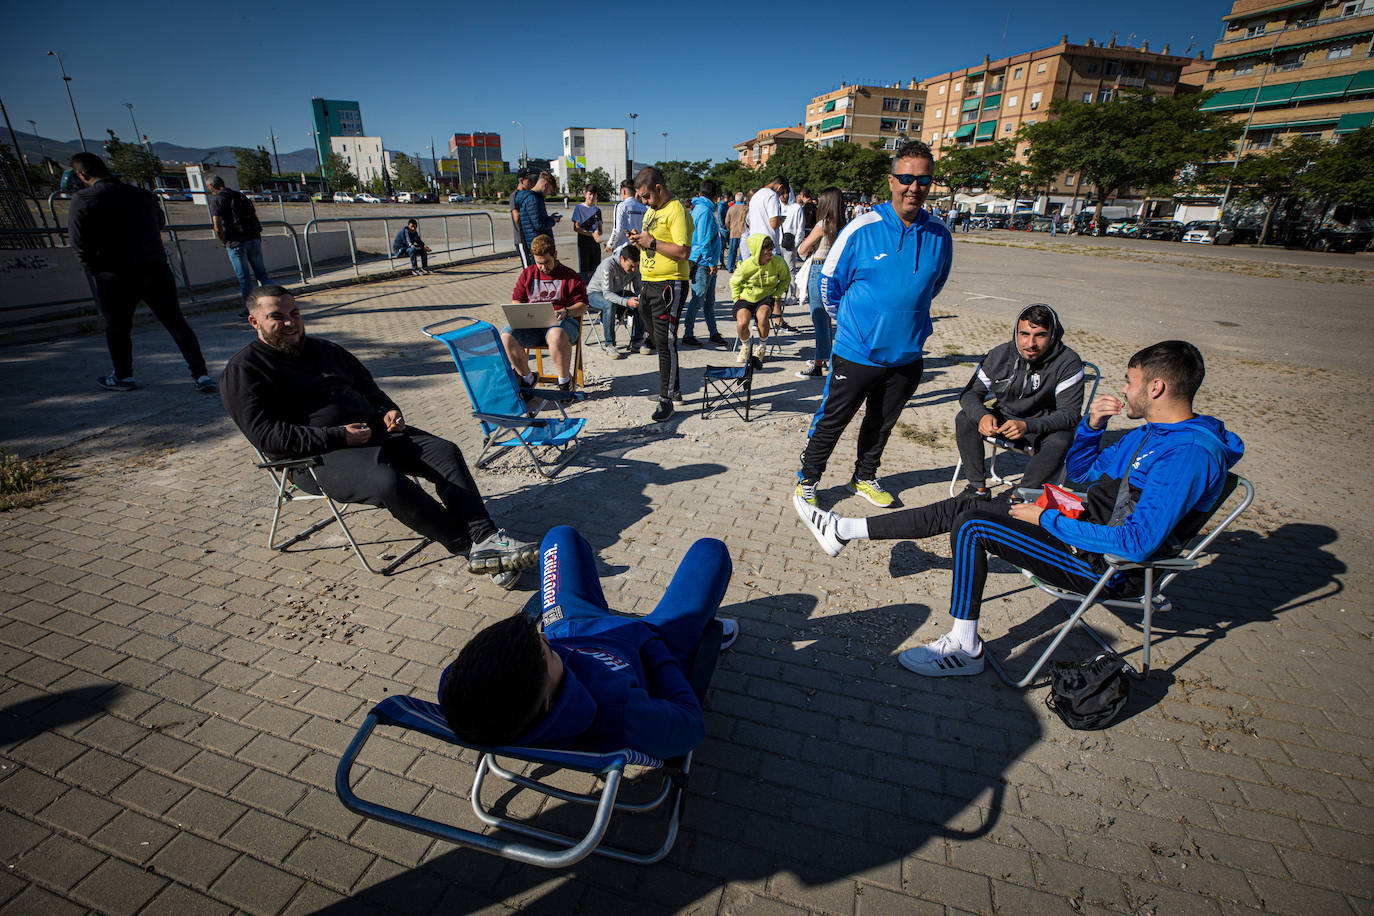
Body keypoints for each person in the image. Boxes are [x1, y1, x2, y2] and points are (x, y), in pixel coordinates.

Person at [793, 341, 1245, 677]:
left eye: (1130, 382)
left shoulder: (1187, 454)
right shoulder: (1151, 433)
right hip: (1081, 530)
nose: (1124, 390)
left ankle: (964, 648)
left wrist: (1045, 518)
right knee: (972, 504)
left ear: (1157, 387)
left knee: (974, 525)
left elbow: (1137, 544)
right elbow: (1082, 474)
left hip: (1107, 567)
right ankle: (844, 529)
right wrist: (1093, 426)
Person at [221, 286, 537, 588]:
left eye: (295, 314)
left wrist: (387, 409)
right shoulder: (244, 370)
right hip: (316, 458)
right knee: (387, 482)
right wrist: (338, 436)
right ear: (254, 321)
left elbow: (368, 387)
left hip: (374, 433)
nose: (290, 323)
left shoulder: (326, 350)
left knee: (444, 451)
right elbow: (268, 437)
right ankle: (470, 549)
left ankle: (486, 538)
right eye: (277, 317)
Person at [438, 526, 738, 759]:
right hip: (652, 644)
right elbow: (690, 724)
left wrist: (540, 648)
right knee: (710, 551)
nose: (543, 635)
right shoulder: (621, 714)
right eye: (547, 652)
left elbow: (466, 673)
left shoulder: (462, 695)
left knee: (560, 536)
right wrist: (656, 650)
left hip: (572, 626)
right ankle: (700, 629)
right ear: (548, 702)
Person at [794, 140, 953, 510]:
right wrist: (854, 325)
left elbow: (934, 285)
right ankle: (808, 480)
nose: (914, 187)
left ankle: (864, 477)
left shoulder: (940, 235)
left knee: (881, 423)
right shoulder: (862, 228)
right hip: (857, 352)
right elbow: (829, 283)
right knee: (833, 420)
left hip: (907, 356)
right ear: (891, 180)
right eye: (906, 178)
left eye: (923, 180)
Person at [66, 152, 216, 394]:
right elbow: (159, 223)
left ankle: (123, 375)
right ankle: (201, 374)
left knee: (118, 328)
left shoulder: (84, 199)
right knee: (176, 322)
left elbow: (78, 242)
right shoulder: (142, 195)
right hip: (155, 268)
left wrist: (96, 269)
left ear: (82, 174)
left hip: (114, 274)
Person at [955, 304, 1085, 497]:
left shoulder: (1068, 362)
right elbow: (970, 394)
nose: (1030, 343)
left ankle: (1019, 495)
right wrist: (982, 416)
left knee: (1062, 439)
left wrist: (1028, 425)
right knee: (965, 418)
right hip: (1004, 421)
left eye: (1040, 335)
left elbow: (1070, 415)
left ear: (1053, 335)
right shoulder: (1000, 355)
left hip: (1041, 426)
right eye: (1024, 334)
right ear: (1016, 332)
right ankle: (977, 489)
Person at [627, 167, 693, 423]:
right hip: (649, 282)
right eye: (641, 198)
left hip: (670, 283)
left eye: (647, 196)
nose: (644, 202)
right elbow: (649, 242)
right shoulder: (652, 211)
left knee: (666, 341)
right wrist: (638, 241)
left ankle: (667, 399)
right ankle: (672, 389)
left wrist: (652, 243)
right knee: (656, 338)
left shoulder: (676, 210)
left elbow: (683, 251)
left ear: (659, 188)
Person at [502, 235, 587, 391]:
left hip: (563, 324)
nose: (543, 267)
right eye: (539, 263)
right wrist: (522, 313)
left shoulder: (570, 276)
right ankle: (528, 378)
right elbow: (517, 301)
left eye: (547, 262)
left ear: (555, 254)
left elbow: (582, 306)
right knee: (506, 336)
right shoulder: (528, 274)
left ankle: (564, 382)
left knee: (555, 335)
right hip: (533, 326)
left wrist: (566, 311)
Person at [794, 186, 847, 379]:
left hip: (819, 268)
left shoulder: (823, 224)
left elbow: (802, 248)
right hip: (837, 271)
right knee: (833, 318)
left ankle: (820, 363)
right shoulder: (844, 225)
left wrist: (808, 247)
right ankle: (827, 358)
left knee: (819, 318)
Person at [207, 176, 271, 309]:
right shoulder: (239, 195)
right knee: (262, 274)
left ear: (212, 186)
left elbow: (217, 226)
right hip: (253, 238)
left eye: (208, 187)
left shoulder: (217, 200)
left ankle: (251, 309)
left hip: (236, 242)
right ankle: (275, 301)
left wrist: (224, 242)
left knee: (244, 279)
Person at [728, 235, 790, 365]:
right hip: (747, 297)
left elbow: (786, 280)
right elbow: (734, 282)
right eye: (767, 253)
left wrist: (776, 295)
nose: (771, 255)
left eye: (772, 251)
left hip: (766, 297)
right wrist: (736, 299)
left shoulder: (778, 262)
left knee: (762, 317)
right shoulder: (747, 265)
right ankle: (745, 346)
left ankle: (762, 346)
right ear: (758, 253)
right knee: (742, 323)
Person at [681, 180, 725, 347]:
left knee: (708, 301)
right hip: (704, 262)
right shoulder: (706, 211)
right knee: (699, 299)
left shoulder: (698, 208)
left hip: (704, 260)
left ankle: (713, 332)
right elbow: (704, 241)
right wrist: (711, 262)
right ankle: (688, 334)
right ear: (716, 196)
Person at [587, 246, 643, 359]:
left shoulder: (635, 267)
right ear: (622, 259)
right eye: (631, 266)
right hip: (596, 293)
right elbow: (607, 293)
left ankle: (637, 341)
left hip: (617, 292)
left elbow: (638, 288)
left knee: (642, 302)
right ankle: (610, 344)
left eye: (635, 266)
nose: (633, 269)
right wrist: (626, 302)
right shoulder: (608, 265)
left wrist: (639, 298)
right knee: (609, 305)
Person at [514, 171, 561, 263]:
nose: (549, 193)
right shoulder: (533, 199)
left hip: (536, 244)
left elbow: (537, 220)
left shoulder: (532, 198)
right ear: (545, 185)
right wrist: (553, 220)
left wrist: (549, 218)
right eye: (550, 190)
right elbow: (539, 225)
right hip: (540, 246)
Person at [603, 178, 646, 257]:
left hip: (623, 250)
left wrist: (610, 245)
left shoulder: (621, 206)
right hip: (638, 249)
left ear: (624, 191)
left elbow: (617, 230)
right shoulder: (644, 207)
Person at [745, 175, 787, 254]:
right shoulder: (772, 195)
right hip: (768, 246)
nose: (780, 195)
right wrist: (780, 220)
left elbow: (750, 224)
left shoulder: (755, 195)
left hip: (754, 243)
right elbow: (773, 224)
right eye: (782, 192)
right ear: (780, 187)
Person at [571, 186, 603, 284]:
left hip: (595, 241)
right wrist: (591, 234)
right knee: (585, 269)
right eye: (590, 194)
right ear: (585, 195)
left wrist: (597, 233)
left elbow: (600, 230)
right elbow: (576, 227)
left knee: (596, 268)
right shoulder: (579, 208)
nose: (592, 197)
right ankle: (584, 288)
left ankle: (595, 287)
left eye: (594, 195)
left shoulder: (597, 210)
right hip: (584, 241)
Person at [509, 168, 535, 267]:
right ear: (521, 180)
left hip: (531, 237)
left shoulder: (529, 195)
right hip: (521, 238)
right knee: (527, 268)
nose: (531, 183)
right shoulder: (515, 196)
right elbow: (516, 217)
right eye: (529, 180)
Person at [724, 191, 748, 271]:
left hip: (733, 233)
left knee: (732, 251)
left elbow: (726, 221)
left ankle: (730, 267)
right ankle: (740, 267)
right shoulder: (745, 208)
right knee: (742, 252)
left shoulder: (731, 208)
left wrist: (730, 228)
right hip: (743, 232)